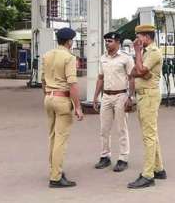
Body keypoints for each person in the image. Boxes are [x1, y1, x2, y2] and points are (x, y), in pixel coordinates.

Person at [41, 27, 84, 188]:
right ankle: (56, 178)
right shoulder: (69, 57)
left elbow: (43, 81)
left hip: (49, 97)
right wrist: (78, 107)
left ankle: (54, 170)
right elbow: (72, 85)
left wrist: (47, 97)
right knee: (61, 139)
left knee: (52, 137)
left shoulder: (47, 55)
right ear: (69, 42)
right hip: (62, 100)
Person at [127, 24, 167, 189]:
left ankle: (148, 175)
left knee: (148, 136)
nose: (137, 40)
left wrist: (137, 57)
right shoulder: (145, 52)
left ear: (146, 37)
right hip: (144, 94)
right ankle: (158, 168)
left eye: (139, 36)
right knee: (152, 133)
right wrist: (139, 70)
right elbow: (135, 72)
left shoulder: (153, 52)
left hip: (149, 95)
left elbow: (140, 69)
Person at [93, 32, 135, 172]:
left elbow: (131, 78)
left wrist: (130, 97)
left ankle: (123, 158)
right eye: (106, 41)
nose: (107, 44)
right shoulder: (103, 58)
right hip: (106, 96)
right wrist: (95, 97)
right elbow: (100, 78)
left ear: (118, 42)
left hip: (121, 96)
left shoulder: (126, 58)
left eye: (110, 41)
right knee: (104, 129)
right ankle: (105, 156)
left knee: (121, 128)